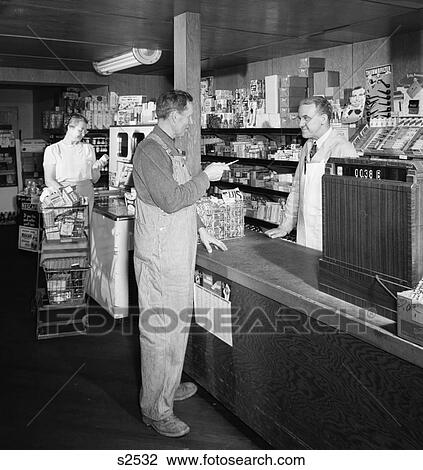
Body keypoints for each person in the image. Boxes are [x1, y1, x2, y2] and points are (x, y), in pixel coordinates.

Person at [132, 90, 229, 438]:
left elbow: (184, 196)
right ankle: (155, 411)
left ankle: (167, 390)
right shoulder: (150, 151)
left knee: (176, 326)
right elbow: (173, 200)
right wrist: (208, 176)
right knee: (159, 333)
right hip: (159, 257)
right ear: (174, 116)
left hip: (176, 253)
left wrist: (201, 230)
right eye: (188, 115)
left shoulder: (171, 148)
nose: (191, 122)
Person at [265, 96, 358, 251]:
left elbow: (351, 203)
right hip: (304, 232)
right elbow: (296, 189)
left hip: (331, 236)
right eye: (300, 118)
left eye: (306, 118)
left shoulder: (343, 149)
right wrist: (286, 226)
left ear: (323, 118)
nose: (301, 124)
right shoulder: (308, 146)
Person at [43, 113, 100, 210]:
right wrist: (67, 194)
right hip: (63, 195)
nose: (83, 134)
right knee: (66, 224)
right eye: (80, 130)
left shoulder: (88, 148)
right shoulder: (53, 150)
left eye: (85, 131)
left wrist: (96, 170)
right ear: (70, 128)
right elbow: (49, 180)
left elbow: (94, 179)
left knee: (85, 223)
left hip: (86, 194)